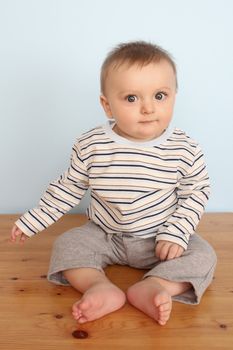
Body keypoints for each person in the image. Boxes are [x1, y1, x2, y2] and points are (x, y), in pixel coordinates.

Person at [11, 41, 217, 326]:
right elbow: (68, 187)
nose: (148, 108)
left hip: (159, 239)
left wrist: (176, 233)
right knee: (67, 244)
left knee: (203, 255)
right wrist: (33, 220)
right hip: (105, 235)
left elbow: (196, 191)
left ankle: (157, 285)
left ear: (174, 96)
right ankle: (99, 286)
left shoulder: (184, 148)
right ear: (107, 105)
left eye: (160, 95)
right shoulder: (92, 144)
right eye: (132, 98)